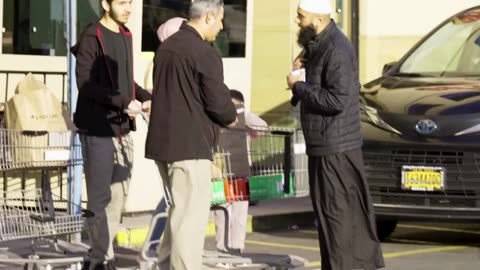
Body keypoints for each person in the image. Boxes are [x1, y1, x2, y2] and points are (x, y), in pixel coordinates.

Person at [286, 0, 385, 270]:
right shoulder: (319, 45)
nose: (297, 20)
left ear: (318, 19)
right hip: (326, 144)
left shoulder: (336, 48)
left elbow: (336, 101)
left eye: (301, 15)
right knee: (332, 218)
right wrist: (301, 75)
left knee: (338, 218)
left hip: (335, 149)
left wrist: (299, 87)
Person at [145, 0, 238, 269]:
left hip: (164, 145)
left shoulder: (166, 48)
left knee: (178, 216)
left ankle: (165, 266)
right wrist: (231, 116)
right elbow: (218, 102)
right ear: (208, 17)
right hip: (190, 148)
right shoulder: (204, 53)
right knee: (190, 222)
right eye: (220, 19)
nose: (221, 26)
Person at [72, 0, 152, 269]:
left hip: (122, 129)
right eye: (122, 2)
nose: (129, 8)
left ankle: (103, 254)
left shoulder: (125, 35)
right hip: (98, 129)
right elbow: (84, 83)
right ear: (105, 4)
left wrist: (145, 96)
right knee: (100, 198)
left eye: (131, 2)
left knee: (118, 198)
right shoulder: (91, 36)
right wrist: (122, 101)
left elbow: (126, 81)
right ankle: (100, 259)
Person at [214, 90, 268, 255]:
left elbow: (263, 128)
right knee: (222, 214)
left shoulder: (245, 124)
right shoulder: (218, 121)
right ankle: (222, 250)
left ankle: (237, 249)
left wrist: (244, 113)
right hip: (221, 174)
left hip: (241, 174)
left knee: (239, 216)